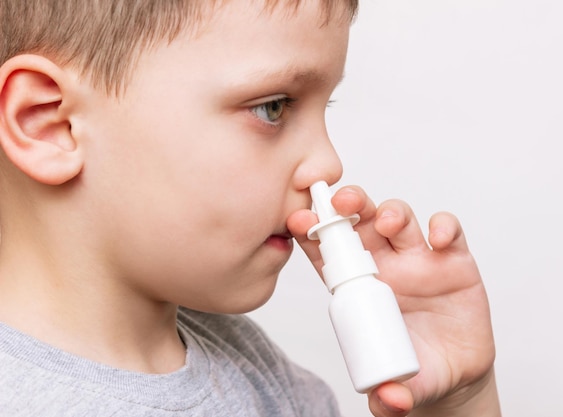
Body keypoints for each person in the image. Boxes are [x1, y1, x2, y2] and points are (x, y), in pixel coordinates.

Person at [0, 1, 501, 416]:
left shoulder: (272, 384)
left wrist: (460, 400)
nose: (328, 163)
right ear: (50, 124)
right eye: (273, 107)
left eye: (321, 108)